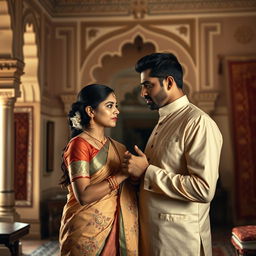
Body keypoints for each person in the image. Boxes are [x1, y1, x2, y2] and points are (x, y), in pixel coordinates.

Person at [122, 53, 223, 256]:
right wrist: (136, 176)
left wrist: (147, 172)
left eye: (148, 85)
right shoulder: (165, 120)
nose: (143, 93)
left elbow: (204, 190)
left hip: (180, 242)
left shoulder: (198, 123)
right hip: (156, 238)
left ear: (169, 82)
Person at [59, 84, 138, 256]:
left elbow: (130, 186)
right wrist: (121, 175)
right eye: (109, 106)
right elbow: (84, 196)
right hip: (87, 231)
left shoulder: (118, 147)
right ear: (91, 111)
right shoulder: (79, 145)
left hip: (117, 228)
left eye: (116, 106)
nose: (116, 111)